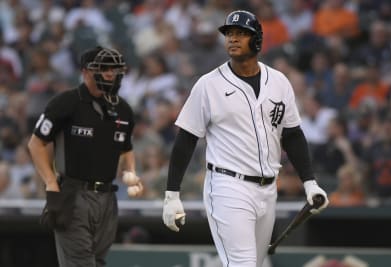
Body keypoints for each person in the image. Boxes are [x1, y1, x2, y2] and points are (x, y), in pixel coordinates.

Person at [162, 10, 329, 267]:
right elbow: (186, 139)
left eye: (241, 34)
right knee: (243, 264)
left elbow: (293, 134)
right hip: (228, 185)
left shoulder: (279, 81)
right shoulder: (209, 84)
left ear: (257, 40)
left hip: (268, 189)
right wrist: (172, 194)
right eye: (229, 33)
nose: (233, 39)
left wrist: (309, 183)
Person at [27, 46, 144, 267]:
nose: (110, 74)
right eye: (103, 68)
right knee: (80, 262)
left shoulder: (124, 110)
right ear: (86, 71)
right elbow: (36, 143)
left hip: (108, 197)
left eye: (114, 69)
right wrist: (51, 182)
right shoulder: (66, 102)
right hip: (73, 193)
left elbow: (126, 147)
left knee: (97, 262)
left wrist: (131, 172)